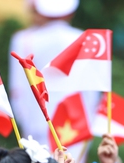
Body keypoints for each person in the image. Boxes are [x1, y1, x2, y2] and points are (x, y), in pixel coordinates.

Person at [9, 0, 99, 149]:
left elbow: (17, 92)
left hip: (37, 127)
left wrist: (27, 126)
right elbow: (91, 91)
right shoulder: (85, 39)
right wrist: (88, 125)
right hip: (77, 126)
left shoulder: (23, 40)